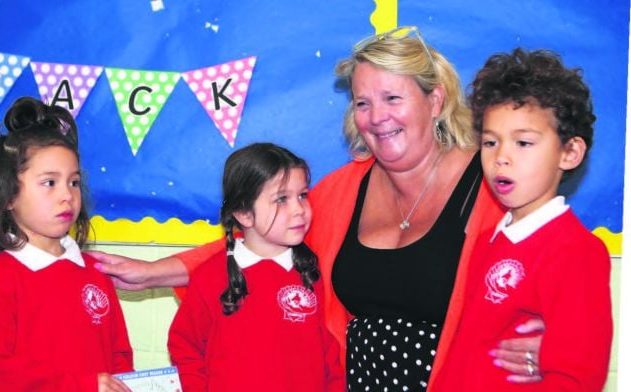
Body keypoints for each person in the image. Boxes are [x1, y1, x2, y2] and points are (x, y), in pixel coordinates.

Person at [91, 26, 545, 390]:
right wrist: (154, 271)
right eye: (363, 103)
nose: (377, 117)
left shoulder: (490, 185)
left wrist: (553, 342)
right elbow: (256, 241)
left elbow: (553, 268)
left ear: (434, 100)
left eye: (392, 98)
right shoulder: (343, 190)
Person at [431, 48, 613, 391]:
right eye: (490, 142)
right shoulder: (488, 238)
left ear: (569, 153)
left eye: (524, 143)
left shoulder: (577, 251)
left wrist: (553, 355)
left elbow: (578, 379)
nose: (501, 158)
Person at [0, 97, 134, 391]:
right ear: (8, 197)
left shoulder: (96, 271)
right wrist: (82, 386)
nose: (67, 195)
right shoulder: (0, 279)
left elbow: (120, 357)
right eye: (49, 183)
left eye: (74, 182)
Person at [167, 143, 344, 391]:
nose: (298, 210)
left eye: (302, 195)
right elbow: (184, 346)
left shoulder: (314, 273)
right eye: (281, 199)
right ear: (243, 213)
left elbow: (332, 357)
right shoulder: (209, 277)